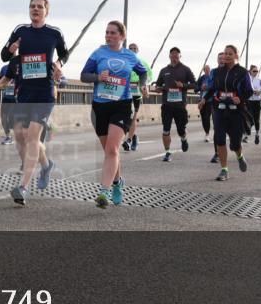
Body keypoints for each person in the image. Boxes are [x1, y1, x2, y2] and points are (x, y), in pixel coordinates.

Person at [1, 0, 67, 205]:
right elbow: (4, 56)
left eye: (39, 7)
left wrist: (58, 64)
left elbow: (64, 54)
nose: (35, 9)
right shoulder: (20, 30)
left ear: (46, 11)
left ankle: (24, 186)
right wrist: (11, 50)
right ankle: (46, 165)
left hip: (44, 93)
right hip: (24, 91)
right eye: (32, 6)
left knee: (32, 137)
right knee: (19, 135)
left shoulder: (54, 33)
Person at [80, 21, 148, 208]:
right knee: (110, 151)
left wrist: (143, 84)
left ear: (122, 36)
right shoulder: (98, 53)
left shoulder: (130, 56)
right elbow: (83, 75)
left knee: (112, 149)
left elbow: (143, 74)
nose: (108, 35)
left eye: (112, 33)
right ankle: (118, 183)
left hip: (122, 105)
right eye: (106, 32)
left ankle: (104, 192)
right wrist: (97, 77)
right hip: (100, 106)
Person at [199, 45, 251, 181]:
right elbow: (212, 89)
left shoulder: (243, 72)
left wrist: (240, 99)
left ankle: (239, 156)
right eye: (225, 54)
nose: (226, 56)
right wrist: (204, 99)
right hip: (219, 108)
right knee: (220, 139)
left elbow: (249, 91)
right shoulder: (216, 72)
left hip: (236, 111)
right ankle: (224, 169)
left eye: (230, 54)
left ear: (236, 55)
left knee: (235, 143)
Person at [154, 46, 196, 162]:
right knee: (165, 129)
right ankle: (167, 152)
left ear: (180, 56)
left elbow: (194, 85)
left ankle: (183, 138)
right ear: (169, 56)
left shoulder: (185, 69)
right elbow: (158, 84)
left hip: (180, 106)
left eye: (176, 56)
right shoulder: (164, 70)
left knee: (181, 129)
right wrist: (158, 89)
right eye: (172, 55)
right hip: (167, 105)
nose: (174, 57)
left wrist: (183, 86)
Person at [123, 43, 152, 152]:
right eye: (130, 48)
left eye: (134, 48)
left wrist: (143, 85)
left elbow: (149, 76)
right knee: (126, 117)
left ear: (138, 50)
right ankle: (134, 136)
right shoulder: (124, 62)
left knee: (133, 116)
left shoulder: (142, 62)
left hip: (137, 92)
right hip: (124, 92)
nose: (132, 50)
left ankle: (129, 140)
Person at [0, 62, 17, 144]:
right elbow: (1, 82)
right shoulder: (4, 68)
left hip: (17, 97)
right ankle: (8, 137)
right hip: (6, 96)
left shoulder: (21, 66)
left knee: (14, 119)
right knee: (3, 117)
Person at [248, 65, 261, 144]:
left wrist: (260, 91)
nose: (256, 72)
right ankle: (246, 134)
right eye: (254, 71)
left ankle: (257, 134)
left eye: (257, 71)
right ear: (250, 71)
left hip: (257, 101)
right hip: (248, 100)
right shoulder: (247, 79)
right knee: (248, 117)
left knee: (256, 119)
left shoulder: (260, 80)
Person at [195, 63, 214, 143]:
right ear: (203, 71)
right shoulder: (201, 78)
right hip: (201, 101)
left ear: (210, 70)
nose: (207, 71)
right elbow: (195, 89)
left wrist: (208, 87)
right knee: (203, 118)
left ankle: (207, 134)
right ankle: (206, 132)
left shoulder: (212, 78)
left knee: (207, 117)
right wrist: (200, 88)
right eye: (205, 70)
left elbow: (215, 88)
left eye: (208, 69)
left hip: (210, 100)